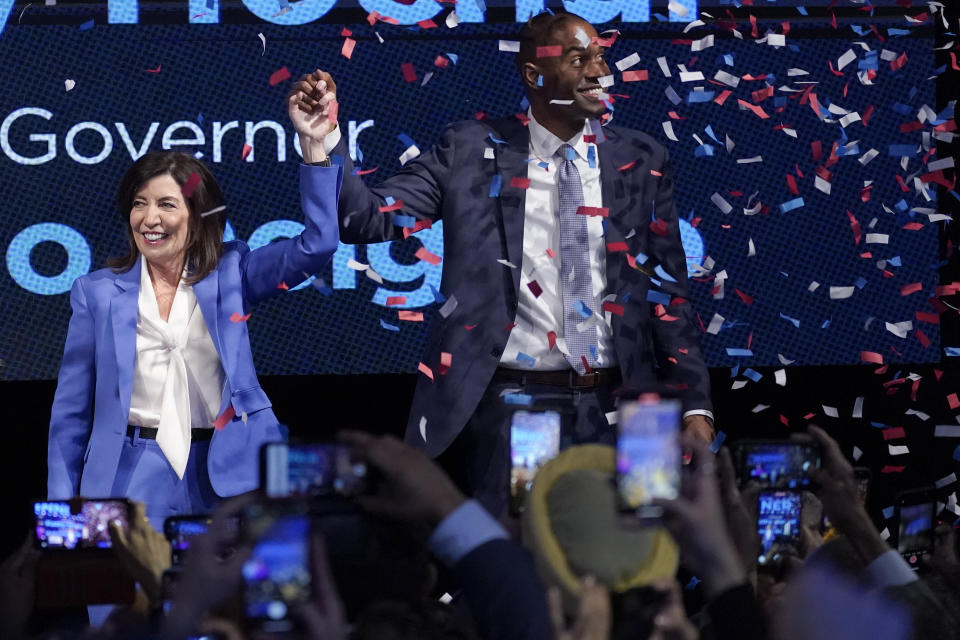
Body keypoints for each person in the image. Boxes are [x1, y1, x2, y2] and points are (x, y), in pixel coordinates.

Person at [295, 10, 713, 516]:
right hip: (521, 407)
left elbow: (669, 294)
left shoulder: (642, 159)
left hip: (632, 410)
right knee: (523, 560)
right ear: (535, 75)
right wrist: (323, 145)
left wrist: (695, 404)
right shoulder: (470, 150)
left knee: (639, 562)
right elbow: (366, 221)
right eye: (579, 59)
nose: (600, 72)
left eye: (600, 56)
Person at [47, 89, 342, 525]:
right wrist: (60, 509)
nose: (150, 219)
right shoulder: (97, 293)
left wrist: (314, 148)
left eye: (167, 204)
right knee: (123, 595)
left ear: (198, 214)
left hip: (229, 474)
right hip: (125, 477)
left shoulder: (233, 273)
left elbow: (317, 246)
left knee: (232, 594)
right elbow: (69, 413)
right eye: (139, 204)